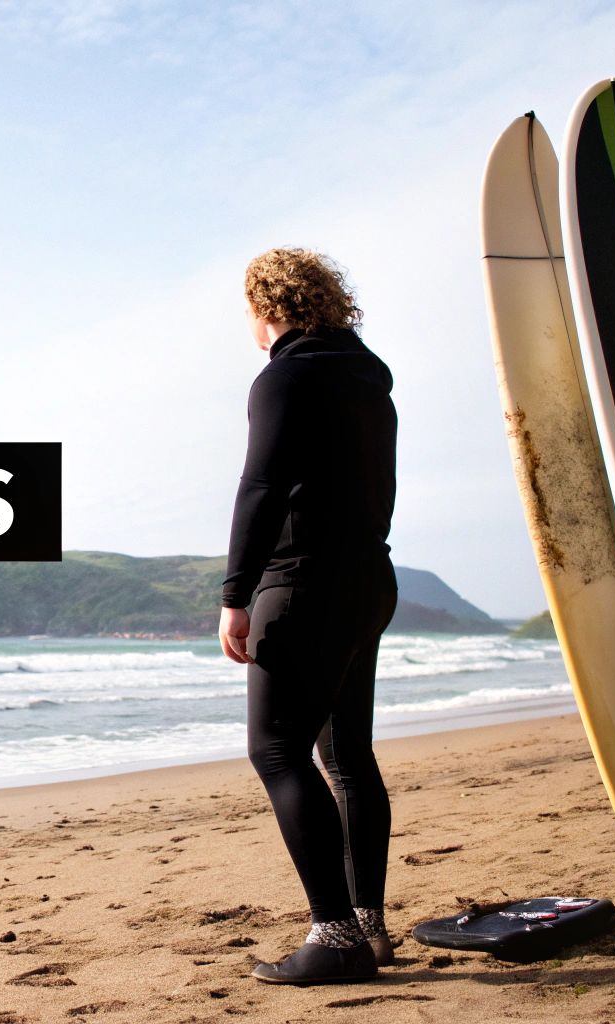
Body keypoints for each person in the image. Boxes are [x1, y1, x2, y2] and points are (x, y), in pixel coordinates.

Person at [217, 247, 400, 985]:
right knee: (348, 757)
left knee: (278, 752)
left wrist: (235, 595)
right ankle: (370, 926)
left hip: (301, 588)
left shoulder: (284, 377)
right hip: (367, 581)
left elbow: (261, 487)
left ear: (268, 309)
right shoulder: (367, 380)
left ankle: (335, 937)